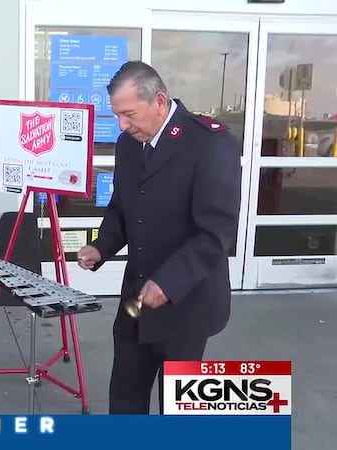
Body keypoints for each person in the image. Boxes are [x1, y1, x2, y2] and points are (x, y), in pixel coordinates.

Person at [76, 61, 241, 414]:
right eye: (118, 115)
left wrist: (168, 282)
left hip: (186, 302)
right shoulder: (128, 144)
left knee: (178, 407)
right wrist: (100, 246)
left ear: (160, 101)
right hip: (136, 298)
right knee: (124, 393)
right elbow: (122, 206)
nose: (123, 125)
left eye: (129, 114)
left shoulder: (209, 143)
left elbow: (216, 230)